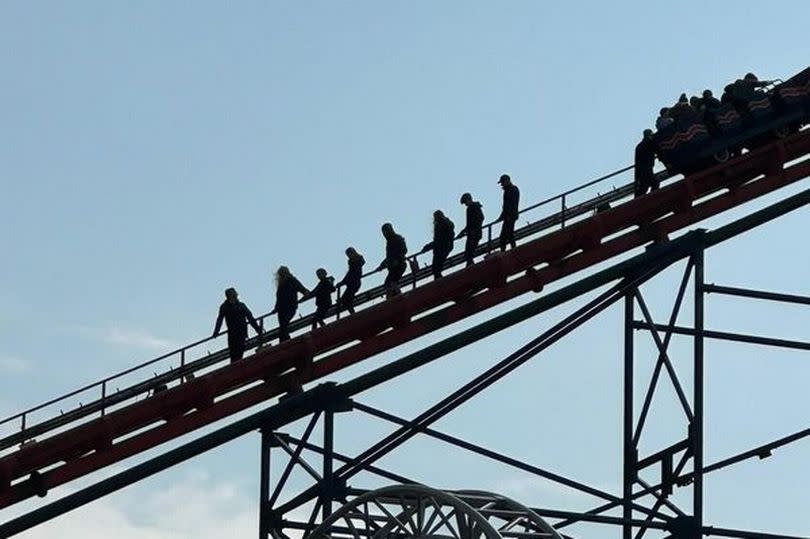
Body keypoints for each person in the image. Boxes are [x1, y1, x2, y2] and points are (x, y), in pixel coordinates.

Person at [212, 287, 263, 363]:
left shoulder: (241, 305)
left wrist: (258, 329)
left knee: (239, 355)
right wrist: (216, 331)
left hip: (241, 333)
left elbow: (250, 318)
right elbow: (220, 320)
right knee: (234, 356)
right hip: (233, 334)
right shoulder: (225, 307)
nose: (236, 294)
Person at [270, 266, 309, 342]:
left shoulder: (292, 280)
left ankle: (286, 342)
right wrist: (276, 308)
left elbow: (302, 289)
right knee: (282, 327)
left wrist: (305, 295)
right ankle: (284, 341)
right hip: (282, 309)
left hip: (289, 307)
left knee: (283, 326)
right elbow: (279, 298)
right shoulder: (282, 284)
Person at [375, 223, 408, 297]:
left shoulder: (397, 239)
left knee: (390, 282)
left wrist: (396, 259)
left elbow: (404, 250)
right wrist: (382, 266)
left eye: (385, 231)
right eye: (384, 232)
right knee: (389, 283)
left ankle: (399, 297)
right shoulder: (390, 241)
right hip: (394, 266)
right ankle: (395, 296)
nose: (384, 234)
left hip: (399, 265)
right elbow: (389, 257)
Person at [421, 210, 455, 279]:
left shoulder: (440, 226)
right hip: (445, 247)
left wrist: (427, 247)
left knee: (436, 269)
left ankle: (439, 281)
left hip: (440, 248)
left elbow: (438, 241)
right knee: (437, 268)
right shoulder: (448, 224)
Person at [456, 192, 485, 267]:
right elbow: (470, 223)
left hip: (474, 234)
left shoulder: (471, 208)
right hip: (474, 233)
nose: (465, 204)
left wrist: (469, 230)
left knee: (469, 253)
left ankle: (470, 266)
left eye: (465, 202)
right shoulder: (474, 207)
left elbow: (474, 221)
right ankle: (470, 265)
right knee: (469, 253)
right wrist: (464, 232)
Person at [337, 247, 365, 315]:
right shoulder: (353, 261)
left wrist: (343, 281)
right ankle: (352, 313)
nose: (349, 256)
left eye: (349, 253)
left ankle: (353, 314)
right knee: (345, 300)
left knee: (346, 300)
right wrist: (343, 281)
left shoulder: (357, 261)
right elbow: (350, 273)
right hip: (352, 283)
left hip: (354, 282)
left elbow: (352, 273)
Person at [497, 174, 520, 251]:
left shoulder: (511, 190)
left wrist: (504, 216)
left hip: (510, 216)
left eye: (502, 182)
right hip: (510, 215)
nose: (502, 184)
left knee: (505, 235)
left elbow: (508, 205)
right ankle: (512, 248)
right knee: (508, 234)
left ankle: (508, 249)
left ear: (507, 181)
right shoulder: (511, 190)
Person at [634, 129, 658, 197]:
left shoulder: (639, 146)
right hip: (646, 168)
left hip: (642, 169)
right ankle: (652, 198)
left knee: (644, 186)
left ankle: (639, 200)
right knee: (654, 182)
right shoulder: (647, 143)